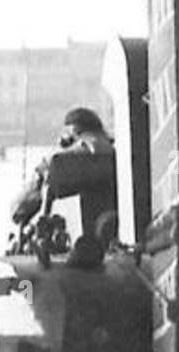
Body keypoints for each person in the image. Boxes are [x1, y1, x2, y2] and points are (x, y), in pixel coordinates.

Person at [11, 107, 117, 267]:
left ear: (72, 131)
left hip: (71, 250)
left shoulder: (57, 161)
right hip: (109, 235)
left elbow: (20, 208)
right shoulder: (117, 153)